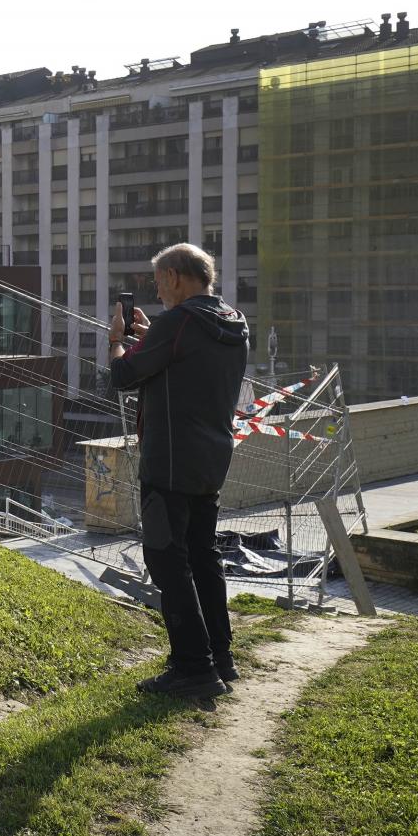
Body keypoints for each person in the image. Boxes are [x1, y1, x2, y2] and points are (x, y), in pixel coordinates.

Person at [109, 243, 249, 699]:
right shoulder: (232, 322)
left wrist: (117, 341)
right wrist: (157, 337)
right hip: (211, 460)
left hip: (168, 463)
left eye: (157, 280)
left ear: (173, 276)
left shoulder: (178, 323)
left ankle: (192, 668)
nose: (155, 288)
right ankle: (219, 658)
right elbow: (182, 365)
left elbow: (123, 375)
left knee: (168, 561)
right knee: (204, 558)